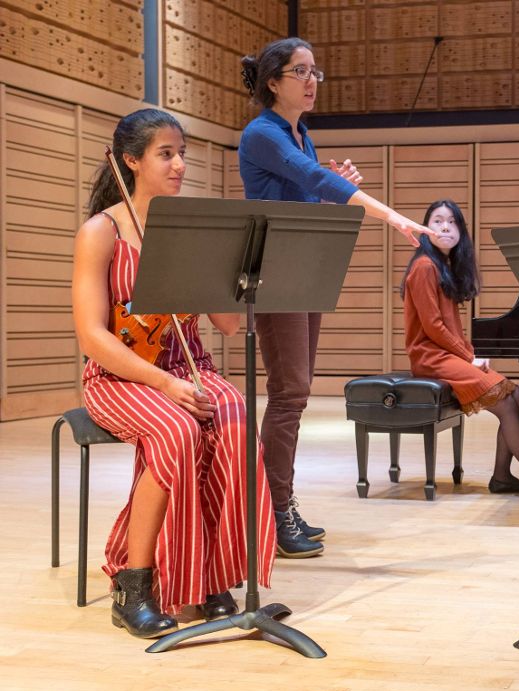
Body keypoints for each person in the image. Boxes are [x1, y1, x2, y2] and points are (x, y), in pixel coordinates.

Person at [72, 108, 276, 638]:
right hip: (121, 378)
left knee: (232, 418)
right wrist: (163, 383)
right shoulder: (102, 232)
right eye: (167, 154)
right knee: (177, 428)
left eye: (181, 153)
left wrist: (230, 266)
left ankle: (211, 579)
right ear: (132, 161)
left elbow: (229, 326)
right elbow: (92, 336)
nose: (180, 164)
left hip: (190, 367)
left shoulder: (189, 228)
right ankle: (133, 584)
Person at [238, 37, 434, 558]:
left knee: (294, 396)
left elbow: (307, 192)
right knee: (289, 395)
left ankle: (280, 506)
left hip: (304, 272)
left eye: (315, 72)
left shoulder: (301, 134)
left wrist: (329, 188)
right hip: (277, 276)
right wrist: (389, 215)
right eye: (300, 72)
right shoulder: (262, 133)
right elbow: (309, 180)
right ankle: (273, 513)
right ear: (273, 81)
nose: (311, 81)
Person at [401, 200, 519, 499]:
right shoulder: (424, 266)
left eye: (452, 221)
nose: (445, 226)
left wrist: (468, 354)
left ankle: (502, 476)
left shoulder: (444, 266)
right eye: (438, 220)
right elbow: (433, 328)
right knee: (507, 403)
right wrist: (470, 357)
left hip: (446, 354)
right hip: (430, 358)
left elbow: (450, 328)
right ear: (425, 228)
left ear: (461, 231)